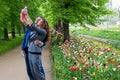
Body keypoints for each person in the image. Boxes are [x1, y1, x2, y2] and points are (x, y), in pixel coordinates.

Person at [21, 8, 50, 80]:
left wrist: (27, 14)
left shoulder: (43, 31)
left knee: (37, 72)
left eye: (39, 20)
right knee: (32, 72)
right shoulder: (35, 30)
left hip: (35, 54)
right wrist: (22, 15)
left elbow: (32, 25)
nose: (37, 20)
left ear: (43, 24)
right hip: (30, 53)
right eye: (37, 19)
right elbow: (27, 25)